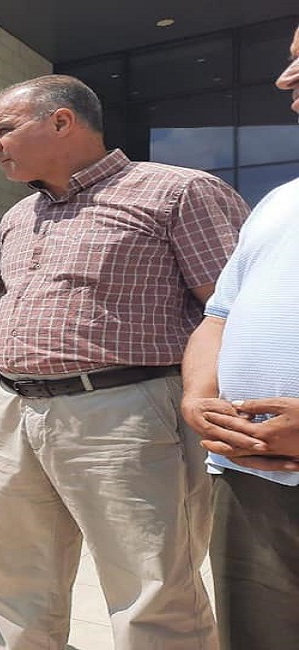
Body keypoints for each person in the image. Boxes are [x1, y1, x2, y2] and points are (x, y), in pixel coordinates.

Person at [0, 74, 249, 650]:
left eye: (2, 129)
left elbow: (234, 313)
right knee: (14, 581)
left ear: (61, 121)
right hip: (11, 408)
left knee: (152, 587)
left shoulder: (179, 192)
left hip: (125, 410)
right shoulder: (18, 215)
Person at [179, 25, 299, 650]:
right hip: (250, 478)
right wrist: (198, 396)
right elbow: (219, 315)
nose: (284, 79)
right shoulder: (278, 202)